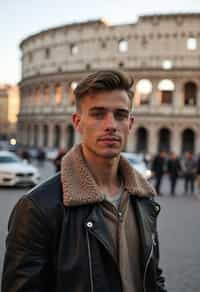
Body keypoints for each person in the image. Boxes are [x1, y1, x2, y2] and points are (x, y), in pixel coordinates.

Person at [2, 70, 167, 292]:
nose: (111, 125)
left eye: (120, 115)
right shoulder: (38, 207)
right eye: (98, 114)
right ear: (78, 122)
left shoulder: (144, 200)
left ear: (130, 123)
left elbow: (153, 277)